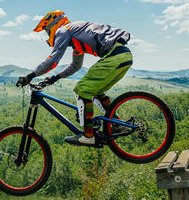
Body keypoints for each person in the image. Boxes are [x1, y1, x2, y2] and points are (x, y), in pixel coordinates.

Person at [16, 10, 132, 146]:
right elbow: (75, 66)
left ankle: (88, 135)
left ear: (53, 24)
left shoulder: (63, 30)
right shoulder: (76, 35)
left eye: (47, 31)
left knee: (82, 89)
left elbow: (53, 59)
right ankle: (117, 124)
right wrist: (55, 77)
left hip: (115, 57)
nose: (48, 35)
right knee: (95, 92)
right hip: (124, 57)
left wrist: (30, 76)